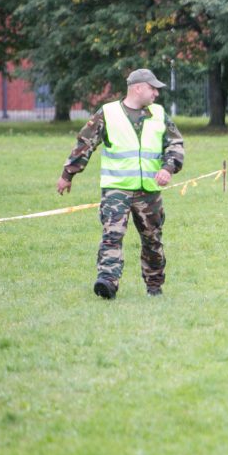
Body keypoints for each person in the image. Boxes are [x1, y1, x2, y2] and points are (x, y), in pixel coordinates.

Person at [56, 68, 184, 299]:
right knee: (112, 235)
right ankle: (107, 282)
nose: (156, 93)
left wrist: (168, 167)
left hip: (149, 191)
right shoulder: (107, 113)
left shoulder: (158, 113)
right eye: (152, 88)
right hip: (117, 189)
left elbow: (175, 144)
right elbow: (85, 143)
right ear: (138, 88)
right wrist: (67, 174)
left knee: (152, 240)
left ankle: (154, 286)